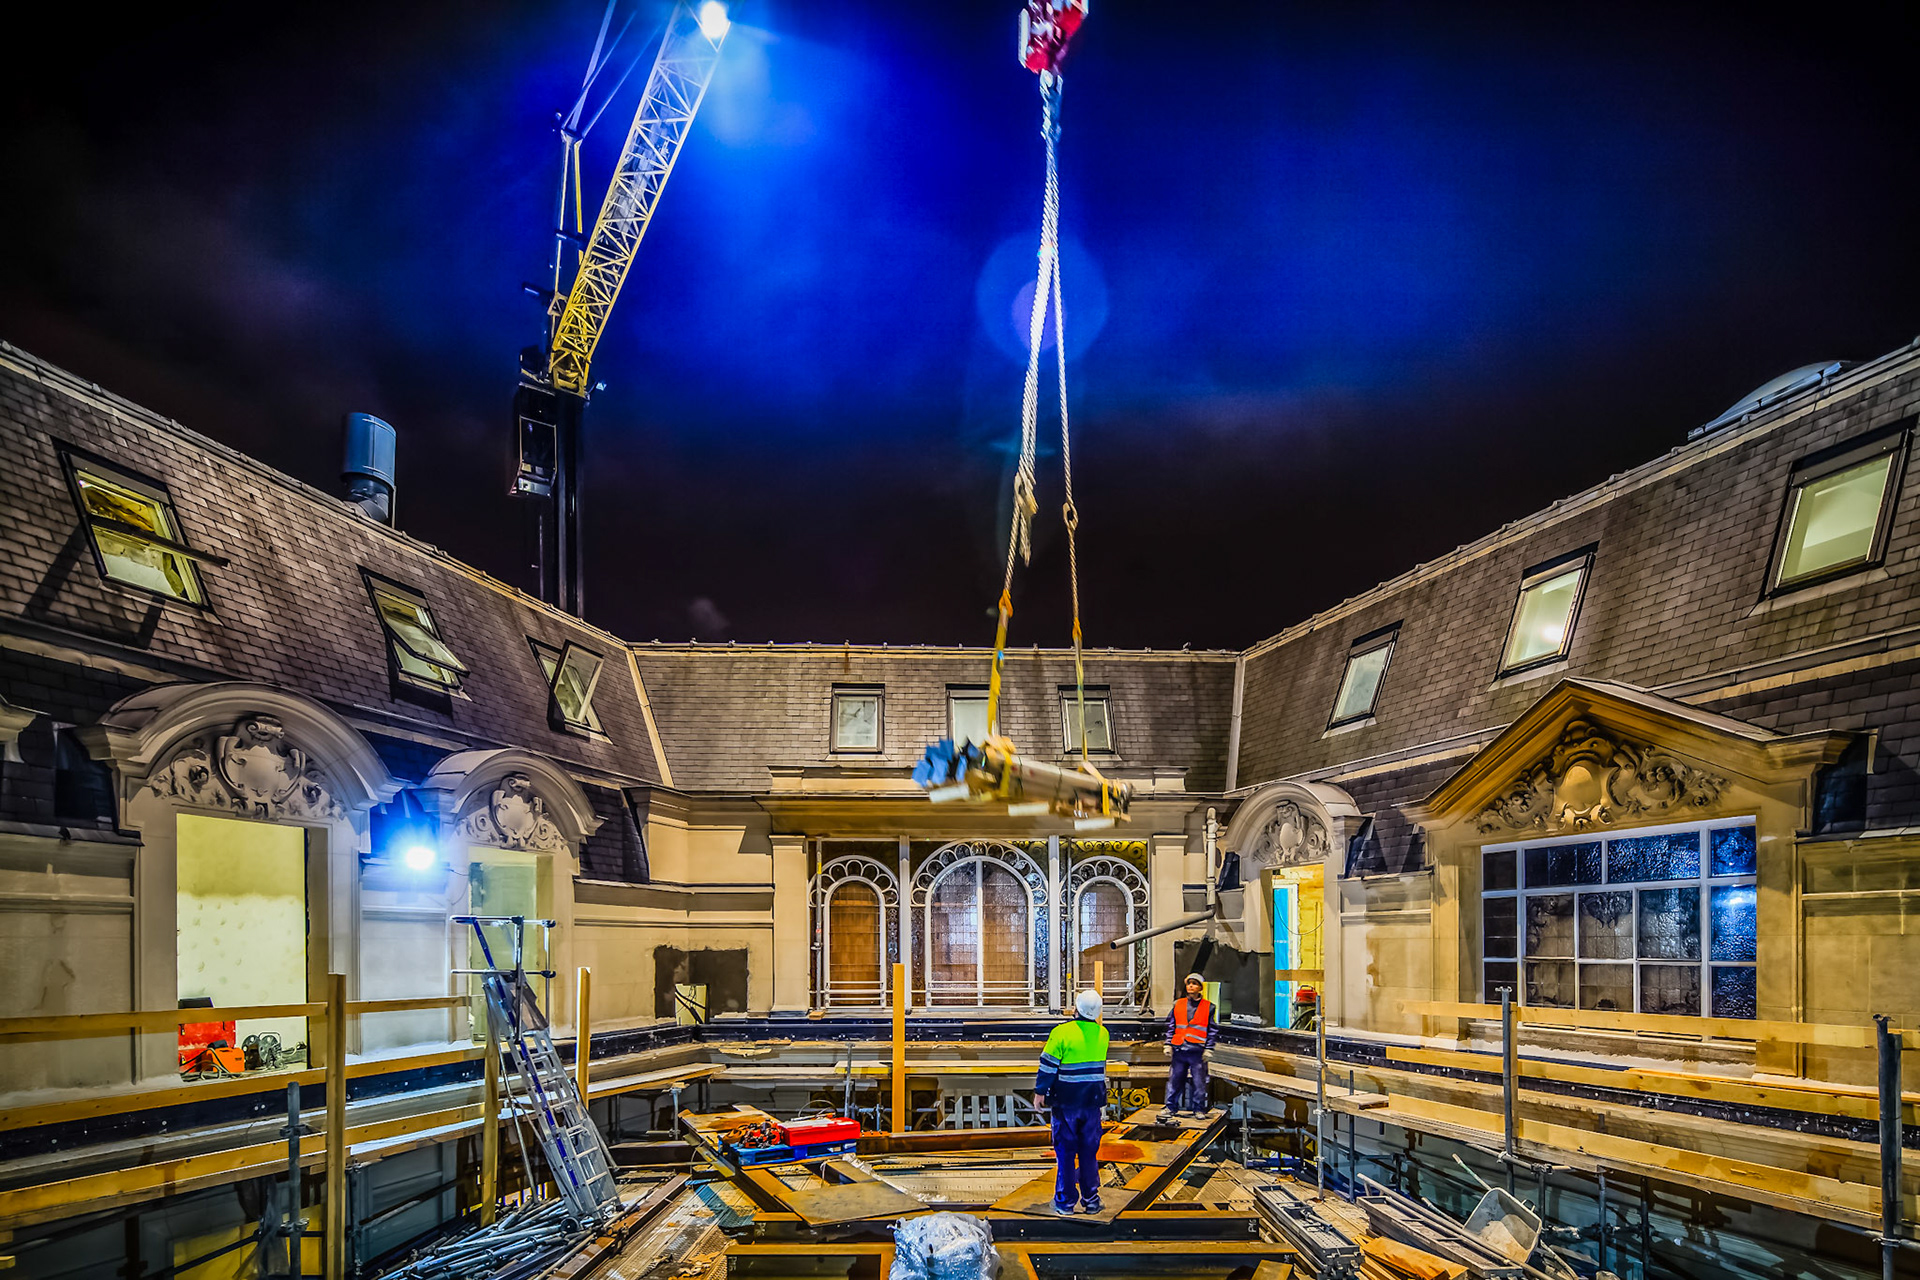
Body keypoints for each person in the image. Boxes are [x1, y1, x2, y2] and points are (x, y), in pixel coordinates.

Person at [1034, 988, 1108, 1214]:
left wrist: (1040, 1092)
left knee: (1065, 1153)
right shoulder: (1103, 1034)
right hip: (1092, 1103)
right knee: (1088, 1152)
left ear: (1076, 1008)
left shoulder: (1061, 1032)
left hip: (1067, 1104)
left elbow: (1047, 1066)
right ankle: (1091, 1200)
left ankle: (1065, 1203)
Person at [1160, 972, 1215, 1119]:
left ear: (1200, 987)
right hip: (1179, 1050)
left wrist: (1209, 1048)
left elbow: (1211, 1029)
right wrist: (1168, 1044)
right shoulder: (1178, 1004)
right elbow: (1172, 1026)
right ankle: (1170, 1107)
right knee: (1175, 1080)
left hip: (1197, 1051)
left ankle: (1199, 1109)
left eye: (1194, 983)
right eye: (1189, 983)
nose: (1191, 986)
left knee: (1199, 1083)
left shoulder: (1208, 1007)